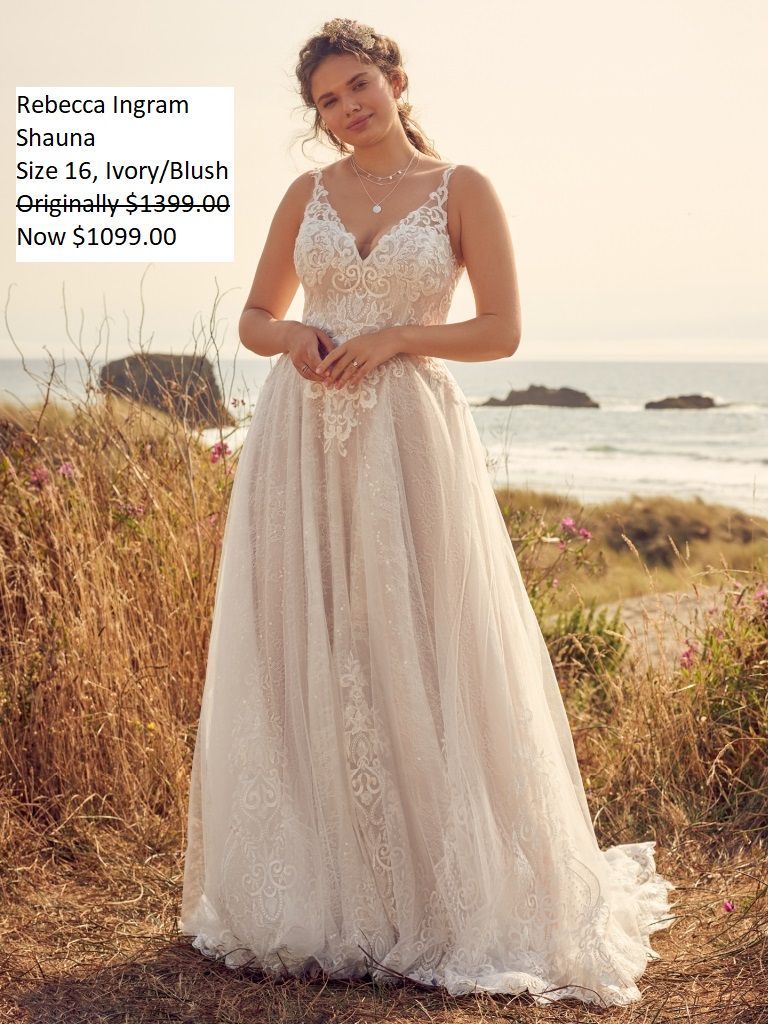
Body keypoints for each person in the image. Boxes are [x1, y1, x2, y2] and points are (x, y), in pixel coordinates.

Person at [178, 17, 675, 1008]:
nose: (347, 109)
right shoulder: (306, 194)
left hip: (406, 434)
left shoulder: (462, 189)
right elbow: (253, 314)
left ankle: (446, 889)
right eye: (326, 101)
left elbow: (501, 327)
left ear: (395, 78)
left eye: (358, 84)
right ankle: (323, 888)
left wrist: (401, 334)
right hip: (301, 439)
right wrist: (293, 339)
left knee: (423, 640)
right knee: (305, 641)